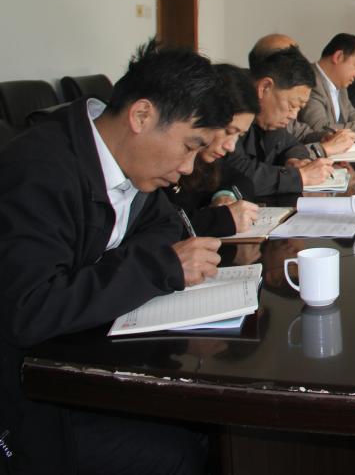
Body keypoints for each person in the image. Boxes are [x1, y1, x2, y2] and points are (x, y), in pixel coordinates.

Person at [0, 41, 228, 474]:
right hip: (26, 399)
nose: (187, 167)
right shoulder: (38, 171)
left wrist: (115, 272)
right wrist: (157, 268)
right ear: (141, 116)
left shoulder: (131, 170)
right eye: (189, 146)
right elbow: (29, 310)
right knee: (181, 450)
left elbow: (167, 228)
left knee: (207, 425)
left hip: (75, 361)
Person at [164, 63, 261, 237]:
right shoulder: (163, 162)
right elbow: (163, 227)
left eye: (239, 135)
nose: (231, 146)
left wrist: (225, 195)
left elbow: (241, 180)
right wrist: (222, 219)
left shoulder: (207, 160)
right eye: (229, 131)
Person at [223, 46, 334, 196]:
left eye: (299, 108)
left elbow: (291, 144)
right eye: (292, 105)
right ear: (265, 87)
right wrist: (300, 176)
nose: (294, 115)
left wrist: (294, 160)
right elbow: (237, 171)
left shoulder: (270, 121)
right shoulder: (232, 104)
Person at [248, 34, 355, 156]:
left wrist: (323, 137)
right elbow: (267, 162)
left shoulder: (278, 112)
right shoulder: (242, 115)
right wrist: (322, 149)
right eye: (288, 56)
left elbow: (296, 137)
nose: (293, 115)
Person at [299, 33, 355, 136]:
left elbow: (353, 115)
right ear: (338, 57)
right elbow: (320, 128)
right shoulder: (308, 80)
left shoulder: (340, 85)